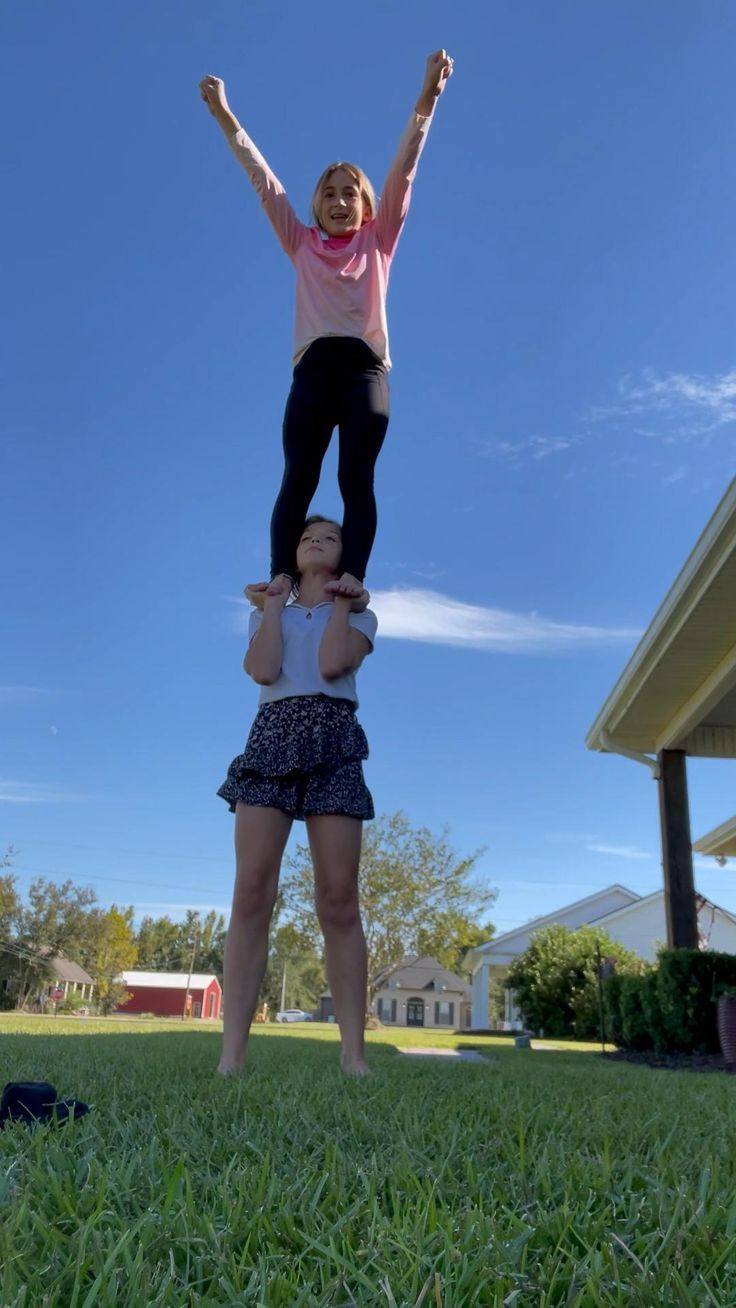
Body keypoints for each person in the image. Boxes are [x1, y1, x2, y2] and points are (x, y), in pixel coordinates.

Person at [199, 51, 453, 606]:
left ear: (367, 206)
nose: (340, 201)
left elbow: (405, 167)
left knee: (355, 478)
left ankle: (354, 574)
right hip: (312, 372)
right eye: (330, 192)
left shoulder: (378, 241)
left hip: (365, 370)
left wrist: (427, 99)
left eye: (350, 193)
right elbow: (262, 180)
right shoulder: (302, 243)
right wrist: (225, 115)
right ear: (317, 203)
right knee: (299, 475)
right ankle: (282, 575)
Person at [216, 516, 377, 1076]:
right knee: (252, 891)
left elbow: (333, 664)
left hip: (334, 736)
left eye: (331, 536)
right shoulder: (268, 610)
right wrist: (271, 607)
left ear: (344, 557)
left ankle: (354, 1056)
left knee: (338, 899)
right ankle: (232, 1055)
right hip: (272, 735)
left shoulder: (362, 616)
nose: (316, 539)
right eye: (308, 535)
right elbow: (262, 671)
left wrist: (340, 602)